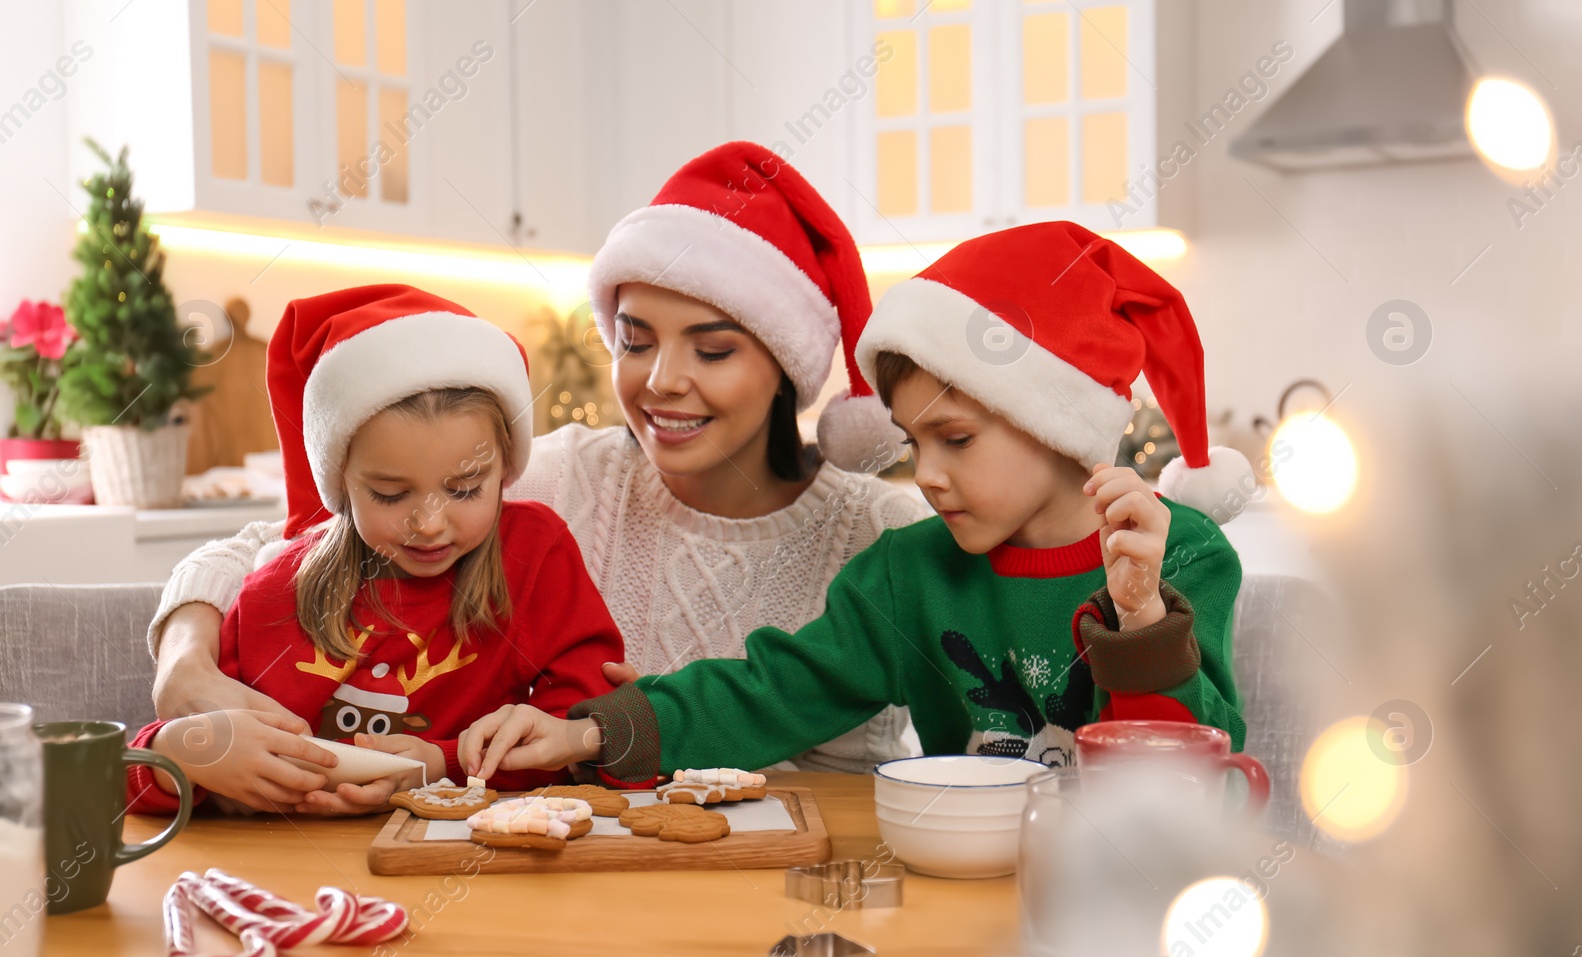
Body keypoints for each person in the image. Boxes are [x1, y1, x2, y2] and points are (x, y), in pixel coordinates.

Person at [145, 142, 926, 782]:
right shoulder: (560, 480)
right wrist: (186, 658)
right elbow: (282, 546)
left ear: (788, 364)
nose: (661, 380)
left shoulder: (884, 530)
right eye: (636, 338)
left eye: (712, 348)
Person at [458, 221, 1254, 785]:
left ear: (1056, 425)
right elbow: (773, 687)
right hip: (962, 882)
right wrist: (594, 729)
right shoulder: (911, 571)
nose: (929, 475)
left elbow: (1198, 753)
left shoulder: (1178, 553)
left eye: (957, 439)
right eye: (915, 443)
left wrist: (1143, 618)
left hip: (1133, 890)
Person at [126, 286, 625, 815]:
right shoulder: (275, 591)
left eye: (464, 489)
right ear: (340, 485)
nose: (429, 525)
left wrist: (443, 764)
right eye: (389, 494)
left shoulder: (534, 556)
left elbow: (586, 733)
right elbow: (135, 771)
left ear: (506, 467)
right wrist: (182, 755)